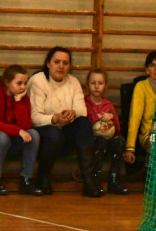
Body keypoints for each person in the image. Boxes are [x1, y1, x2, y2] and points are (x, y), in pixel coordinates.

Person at [28, 46, 103, 198]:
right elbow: (34, 117)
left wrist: (72, 113)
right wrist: (54, 118)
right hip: (43, 133)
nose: (61, 66)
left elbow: (83, 111)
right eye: (57, 62)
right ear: (48, 63)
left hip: (65, 132)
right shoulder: (38, 81)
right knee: (54, 132)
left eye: (65, 63)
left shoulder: (73, 82)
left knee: (83, 123)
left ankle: (89, 182)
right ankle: (43, 177)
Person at [0, 65, 44, 196]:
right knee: (1, 136)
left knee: (34, 134)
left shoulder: (23, 98)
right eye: (19, 83)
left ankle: (26, 180)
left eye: (25, 83)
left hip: (10, 140)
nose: (23, 87)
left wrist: (18, 103)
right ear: (7, 82)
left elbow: (27, 126)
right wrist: (17, 131)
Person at [84, 68, 128, 194]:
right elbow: (86, 122)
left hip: (109, 138)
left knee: (119, 141)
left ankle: (113, 179)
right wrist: (96, 119)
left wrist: (111, 119)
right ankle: (95, 180)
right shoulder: (84, 102)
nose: (97, 86)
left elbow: (118, 128)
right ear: (87, 85)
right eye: (93, 83)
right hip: (93, 140)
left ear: (105, 86)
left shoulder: (108, 105)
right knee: (100, 141)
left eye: (100, 83)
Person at [123, 51, 156, 170]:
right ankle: (154, 180)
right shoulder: (141, 87)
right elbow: (134, 117)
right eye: (152, 65)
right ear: (146, 70)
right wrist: (130, 148)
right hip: (149, 134)